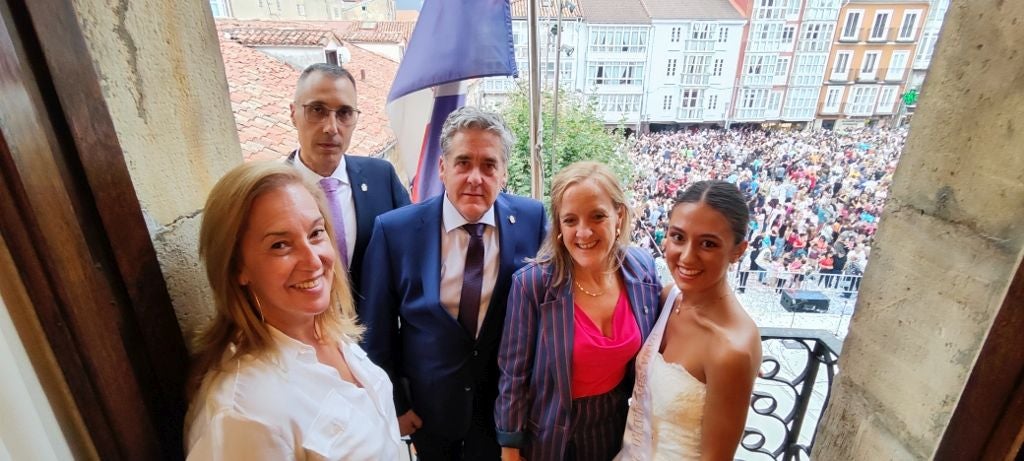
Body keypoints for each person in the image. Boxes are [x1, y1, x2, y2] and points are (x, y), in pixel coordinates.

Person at [360, 107, 547, 460]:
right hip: (428, 417)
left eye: (489, 165)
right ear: (443, 168)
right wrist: (396, 405)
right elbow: (375, 330)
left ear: (504, 173)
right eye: (463, 163)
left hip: (502, 418)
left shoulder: (532, 220)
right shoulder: (395, 231)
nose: (476, 177)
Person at [185, 162, 402, 460]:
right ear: (237, 267)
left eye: (315, 233)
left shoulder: (324, 331)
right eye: (280, 245)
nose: (313, 261)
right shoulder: (244, 413)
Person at [495, 161, 662, 461]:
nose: (583, 232)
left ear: (619, 215)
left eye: (597, 216)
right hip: (549, 435)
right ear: (559, 226)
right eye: (570, 220)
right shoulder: (533, 285)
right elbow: (513, 376)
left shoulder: (641, 269)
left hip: (616, 430)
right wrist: (510, 447)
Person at [616, 180, 762, 461]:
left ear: (738, 250)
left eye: (708, 243)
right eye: (678, 237)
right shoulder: (669, 298)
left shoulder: (730, 350)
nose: (687, 256)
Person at [286, 63, 411, 296]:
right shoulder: (271, 194)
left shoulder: (381, 178)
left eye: (344, 113)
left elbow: (413, 249)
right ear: (294, 113)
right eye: (317, 110)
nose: (331, 127)